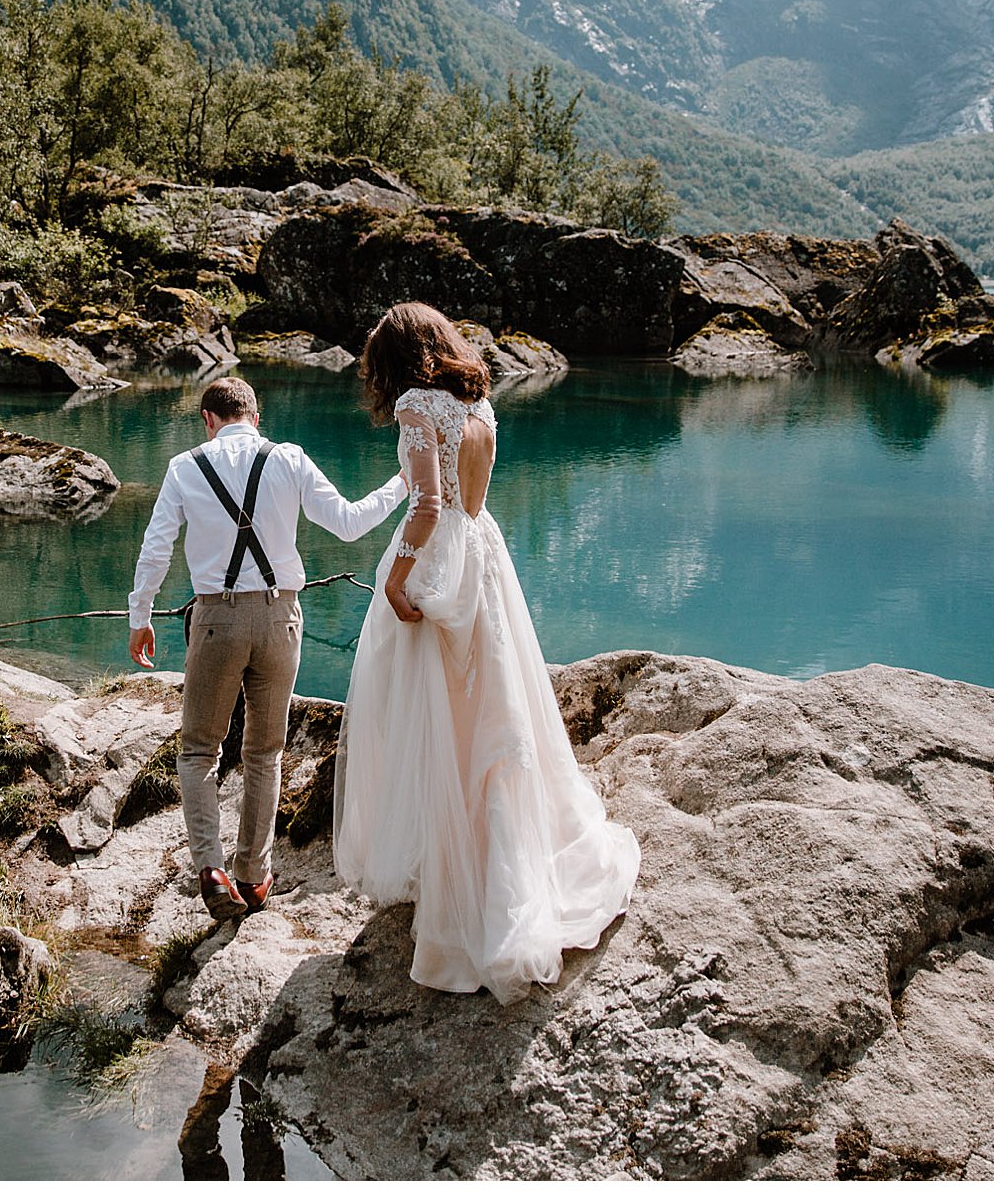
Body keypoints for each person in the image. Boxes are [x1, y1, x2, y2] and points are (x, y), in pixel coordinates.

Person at [333, 302, 641, 1002]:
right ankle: (498, 865)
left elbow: (427, 507)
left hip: (441, 563)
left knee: (434, 724)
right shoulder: (478, 404)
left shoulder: (417, 405)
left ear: (397, 359)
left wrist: (400, 576)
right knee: (492, 721)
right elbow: (466, 503)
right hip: (485, 557)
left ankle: (461, 889)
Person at [131, 375, 408, 921]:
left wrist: (141, 617)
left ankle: (210, 865)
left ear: (207, 421)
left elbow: (155, 549)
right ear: (256, 418)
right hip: (282, 617)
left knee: (199, 750)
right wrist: (404, 481)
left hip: (216, 620)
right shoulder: (288, 458)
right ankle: (254, 877)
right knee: (265, 751)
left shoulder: (186, 466)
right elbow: (350, 524)